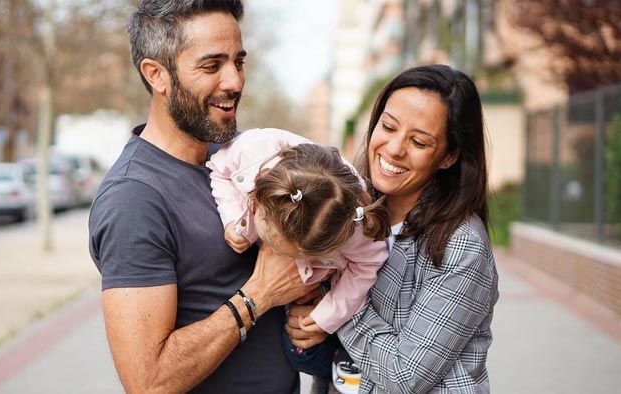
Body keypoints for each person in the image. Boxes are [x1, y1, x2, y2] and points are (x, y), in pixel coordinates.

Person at [88, 1, 314, 392]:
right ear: (156, 74)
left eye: (238, 62)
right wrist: (259, 295)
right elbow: (148, 382)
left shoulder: (234, 160)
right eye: (212, 66)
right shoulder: (133, 200)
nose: (235, 82)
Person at [286, 64, 500, 393]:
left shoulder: (461, 245)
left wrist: (333, 309)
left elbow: (405, 375)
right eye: (388, 126)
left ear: (448, 156)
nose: (395, 148)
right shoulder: (348, 209)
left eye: (419, 141)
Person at [206, 128, 391, 381]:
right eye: (273, 244)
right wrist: (234, 220)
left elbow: (369, 263)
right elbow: (219, 172)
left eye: (288, 252)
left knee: (304, 353)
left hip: (321, 288)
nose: (278, 254)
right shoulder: (248, 151)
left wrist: (328, 315)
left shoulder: (354, 228)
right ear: (258, 199)